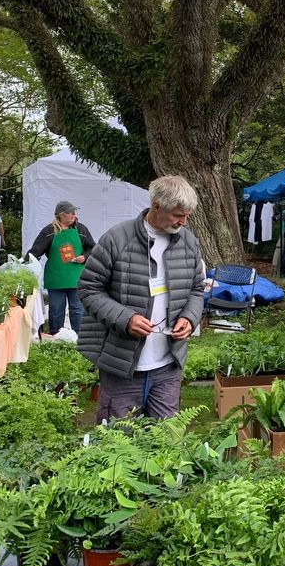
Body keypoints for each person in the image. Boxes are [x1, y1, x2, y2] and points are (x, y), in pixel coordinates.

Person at [77, 176, 205, 420]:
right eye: (178, 214)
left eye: (187, 215)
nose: (183, 221)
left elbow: (197, 289)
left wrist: (189, 318)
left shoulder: (188, 242)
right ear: (157, 206)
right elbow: (88, 288)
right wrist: (126, 319)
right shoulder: (117, 239)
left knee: (167, 440)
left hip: (168, 365)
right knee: (118, 442)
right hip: (122, 364)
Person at [29, 201, 96, 335]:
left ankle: (79, 337)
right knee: (56, 310)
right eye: (70, 213)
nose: (73, 215)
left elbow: (93, 248)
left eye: (74, 213)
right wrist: (24, 267)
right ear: (60, 215)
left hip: (76, 277)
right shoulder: (49, 231)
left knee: (77, 309)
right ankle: (55, 337)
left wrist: (84, 256)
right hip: (56, 277)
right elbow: (34, 252)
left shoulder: (81, 229)